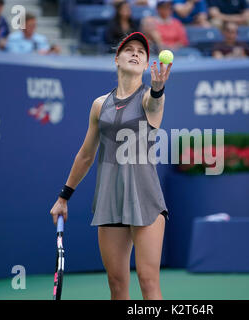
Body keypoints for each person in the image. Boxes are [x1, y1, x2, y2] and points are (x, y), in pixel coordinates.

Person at [49, 32, 172, 300]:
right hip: (110, 200)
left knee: (148, 282)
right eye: (129, 49)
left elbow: (155, 102)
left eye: (141, 51)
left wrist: (159, 88)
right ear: (117, 59)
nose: (136, 53)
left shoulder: (146, 98)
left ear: (146, 63)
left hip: (146, 199)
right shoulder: (99, 105)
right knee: (116, 284)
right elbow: (85, 155)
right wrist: (63, 197)